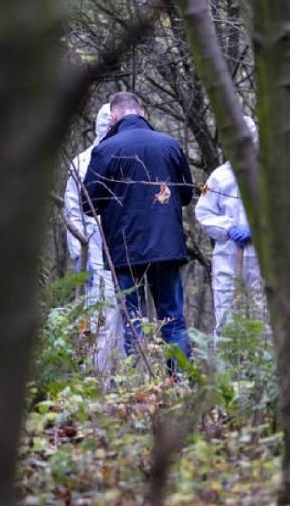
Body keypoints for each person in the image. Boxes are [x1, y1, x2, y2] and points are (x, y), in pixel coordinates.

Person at [82, 92, 194, 373]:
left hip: (124, 252)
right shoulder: (169, 144)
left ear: (114, 117)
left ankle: (137, 389)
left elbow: (87, 204)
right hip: (167, 248)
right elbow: (187, 194)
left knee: (133, 322)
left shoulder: (105, 150)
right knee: (173, 319)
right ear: (142, 112)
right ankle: (179, 384)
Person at [64, 104, 123, 376]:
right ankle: (98, 379)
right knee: (102, 314)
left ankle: (126, 380)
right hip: (96, 252)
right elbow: (72, 212)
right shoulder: (83, 162)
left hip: (125, 252)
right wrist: (80, 256)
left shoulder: (127, 156)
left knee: (127, 317)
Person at [194, 116, 264, 337]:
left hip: (263, 258)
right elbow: (203, 212)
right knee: (226, 317)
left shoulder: (269, 174)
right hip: (228, 256)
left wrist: (257, 227)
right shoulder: (217, 178)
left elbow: (283, 212)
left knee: (261, 316)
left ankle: (263, 370)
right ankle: (228, 370)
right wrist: (227, 228)